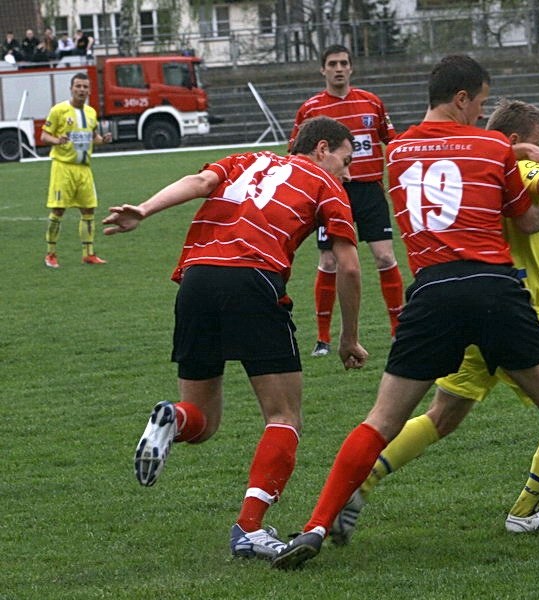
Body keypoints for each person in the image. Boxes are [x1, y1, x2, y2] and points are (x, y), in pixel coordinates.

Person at [272, 55, 539, 571]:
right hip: (495, 288)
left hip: (431, 293)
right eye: (477, 102)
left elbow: (448, 151)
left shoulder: (398, 149)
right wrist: (521, 155)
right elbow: (525, 214)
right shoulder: (493, 146)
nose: (478, 114)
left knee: (383, 418)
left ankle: (316, 526)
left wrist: (513, 146)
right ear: (463, 99)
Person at [327, 99, 539, 545]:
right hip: (518, 315)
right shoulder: (514, 167)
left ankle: (360, 484)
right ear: (512, 141)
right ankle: (528, 510)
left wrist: (526, 158)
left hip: (468, 312)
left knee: (443, 415)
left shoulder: (479, 164)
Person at [101, 116, 370, 561]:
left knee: (201, 422)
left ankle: (171, 416)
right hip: (253, 280)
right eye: (346, 159)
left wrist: (144, 210)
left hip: (196, 279)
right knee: (284, 416)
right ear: (322, 149)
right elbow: (351, 266)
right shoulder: (325, 183)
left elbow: (199, 179)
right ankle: (249, 528)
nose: (348, 170)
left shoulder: (246, 159)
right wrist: (349, 337)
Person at [287, 44, 404, 357]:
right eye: (332, 64)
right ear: (322, 70)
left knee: (384, 257)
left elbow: (392, 143)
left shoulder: (371, 103)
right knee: (328, 261)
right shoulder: (310, 109)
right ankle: (323, 340)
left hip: (368, 190)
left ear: (351, 68)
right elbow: (295, 154)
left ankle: (398, 331)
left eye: (343, 63)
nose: (338, 68)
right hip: (328, 191)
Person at [42, 72, 112, 268]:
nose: (81, 90)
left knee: (89, 209)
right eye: (78, 86)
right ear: (71, 88)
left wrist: (102, 140)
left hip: (84, 169)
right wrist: (57, 140)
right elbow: (44, 136)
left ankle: (88, 254)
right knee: (58, 210)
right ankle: (50, 254)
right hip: (63, 168)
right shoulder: (59, 110)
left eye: (85, 87)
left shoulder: (90, 113)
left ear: (89, 90)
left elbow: (93, 137)